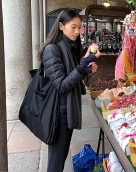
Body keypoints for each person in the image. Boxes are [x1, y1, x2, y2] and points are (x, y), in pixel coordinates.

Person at [37, 9, 101, 171]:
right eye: (73, 27)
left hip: (67, 110)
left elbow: (71, 76)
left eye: (79, 27)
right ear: (60, 26)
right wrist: (83, 65)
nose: (77, 31)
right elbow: (62, 85)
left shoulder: (70, 47)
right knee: (56, 162)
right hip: (58, 113)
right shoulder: (53, 49)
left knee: (61, 156)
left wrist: (84, 67)